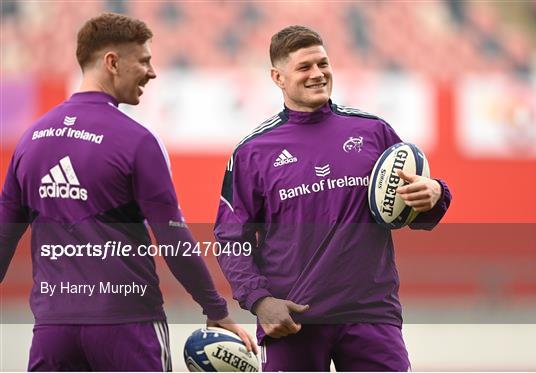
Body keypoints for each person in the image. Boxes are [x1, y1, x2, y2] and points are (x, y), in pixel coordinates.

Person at [0, 12, 256, 371]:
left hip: (52, 330)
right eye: (145, 61)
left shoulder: (31, 139)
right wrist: (216, 310)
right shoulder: (137, 141)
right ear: (112, 62)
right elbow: (174, 238)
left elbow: (4, 236)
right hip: (127, 326)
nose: (152, 73)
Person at [214, 25, 452, 371]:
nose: (317, 74)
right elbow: (230, 237)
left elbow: (414, 207)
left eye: (323, 64)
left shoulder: (373, 132)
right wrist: (260, 301)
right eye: (304, 67)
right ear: (277, 77)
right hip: (292, 319)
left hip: (371, 313)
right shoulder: (253, 151)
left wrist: (436, 193)